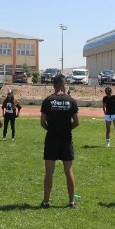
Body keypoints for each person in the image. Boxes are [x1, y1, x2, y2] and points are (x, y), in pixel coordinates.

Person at [39, 74, 79, 209]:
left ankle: (46, 202)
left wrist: (51, 129)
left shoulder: (48, 100)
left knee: (49, 172)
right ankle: (72, 202)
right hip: (66, 140)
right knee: (69, 171)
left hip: (51, 139)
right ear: (63, 85)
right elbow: (76, 122)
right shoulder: (71, 100)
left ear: (54, 86)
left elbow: (42, 122)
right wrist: (67, 129)